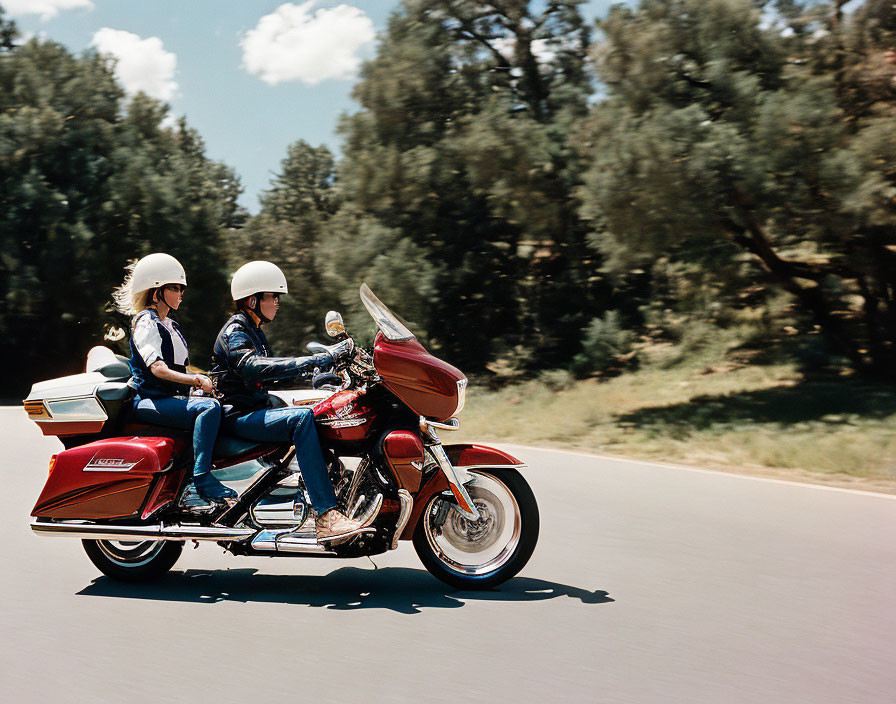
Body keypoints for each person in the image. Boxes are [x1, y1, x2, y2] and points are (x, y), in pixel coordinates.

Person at [211, 260, 377, 544]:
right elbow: (254, 368)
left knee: (323, 407)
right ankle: (326, 515)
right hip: (237, 416)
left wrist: (321, 376)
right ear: (252, 299)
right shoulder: (235, 332)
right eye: (272, 296)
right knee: (301, 419)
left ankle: (336, 479)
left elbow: (266, 375)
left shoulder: (253, 330)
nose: (277, 303)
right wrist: (319, 359)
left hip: (255, 406)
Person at [112, 253, 234, 504]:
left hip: (168, 398)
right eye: (175, 288)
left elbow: (180, 369)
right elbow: (158, 369)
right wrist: (197, 381)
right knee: (208, 409)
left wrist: (204, 380)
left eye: (182, 288)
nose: (181, 293)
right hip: (150, 399)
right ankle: (202, 478)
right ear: (157, 292)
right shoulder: (146, 322)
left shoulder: (170, 325)